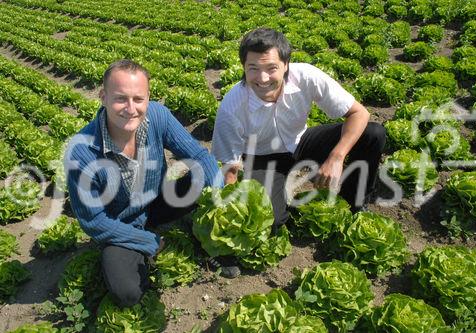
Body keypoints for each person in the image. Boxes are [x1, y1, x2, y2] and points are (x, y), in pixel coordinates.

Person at [64, 59, 234, 308]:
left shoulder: (157, 116)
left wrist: (216, 200)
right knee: (127, 293)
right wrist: (149, 241)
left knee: (203, 177)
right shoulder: (81, 152)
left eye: (138, 99)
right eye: (121, 98)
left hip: (157, 201)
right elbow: (94, 222)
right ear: (103, 96)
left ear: (148, 98)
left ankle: (208, 243)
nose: (130, 108)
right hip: (118, 222)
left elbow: (199, 157)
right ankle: (140, 250)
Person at [212, 28, 386, 228]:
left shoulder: (306, 76)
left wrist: (336, 158)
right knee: (272, 219)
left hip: (301, 141)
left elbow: (359, 113)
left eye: (271, 68)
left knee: (373, 134)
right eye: (253, 68)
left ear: (286, 65)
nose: (263, 78)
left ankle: (353, 203)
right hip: (262, 156)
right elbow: (230, 166)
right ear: (243, 67)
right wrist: (231, 206)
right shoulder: (232, 105)